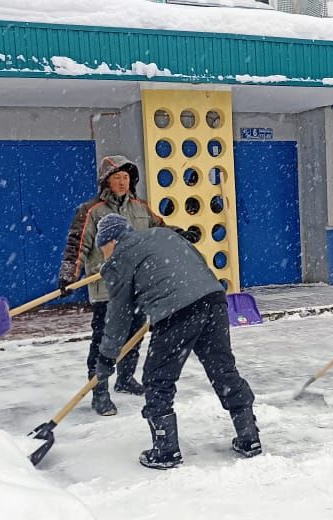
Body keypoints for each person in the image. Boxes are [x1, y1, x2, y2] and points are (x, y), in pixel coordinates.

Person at [93, 213, 261, 470]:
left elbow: (118, 315)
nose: (103, 255)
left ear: (111, 241)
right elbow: (195, 264)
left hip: (177, 312)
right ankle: (249, 436)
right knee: (222, 369)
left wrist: (106, 359)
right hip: (213, 299)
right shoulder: (163, 234)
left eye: (102, 248)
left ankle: (165, 450)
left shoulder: (119, 258)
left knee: (158, 378)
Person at [58, 155, 161, 417]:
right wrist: (69, 274)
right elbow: (77, 245)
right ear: (106, 180)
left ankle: (125, 379)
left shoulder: (140, 207)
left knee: (134, 336)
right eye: (117, 177)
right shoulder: (91, 211)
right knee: (103, 342)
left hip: (137, 285)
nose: (122, 182)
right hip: (106, 288)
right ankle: (99, 390)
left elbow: (160, 232)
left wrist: (182, 235)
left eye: (126, 177)